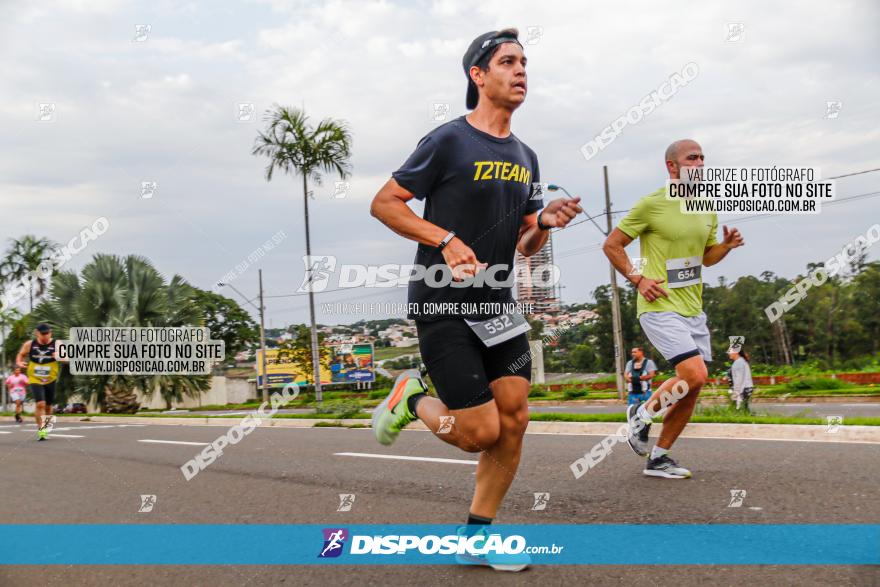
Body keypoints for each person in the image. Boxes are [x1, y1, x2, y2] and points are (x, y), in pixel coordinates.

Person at [369, 28, 581, 571]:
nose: (520, 71)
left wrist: (548, 224)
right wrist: (443, 238)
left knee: (514, 421)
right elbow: (385, 203)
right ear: (478, 75)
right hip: (443, 301)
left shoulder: (527, 156)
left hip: (500, 305)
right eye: (508, 61)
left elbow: (527, 240)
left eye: (525, 62)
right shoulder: (448, 140)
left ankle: (476, 538)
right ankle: (410, 399)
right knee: (479, 432)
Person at [602, 139, 744, 479]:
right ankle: (640, 413)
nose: (699, 163)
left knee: (692, 388)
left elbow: (706, 259)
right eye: (691, 158)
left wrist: (724, 246)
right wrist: (638, 280)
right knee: (695, 375)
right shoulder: (653, 204)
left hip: (694, 309)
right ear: (672, 167)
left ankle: (660, 458)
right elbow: (612, 244)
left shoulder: (706, 207)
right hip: (658, 304)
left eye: (702, 158)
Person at [15, 323, 61, 440]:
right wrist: (19, 362)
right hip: (35, 378)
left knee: (49, 407)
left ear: (51, 333)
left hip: (51, 378)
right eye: (43, 334)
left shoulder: (57, 344)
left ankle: (47, 428)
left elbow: (68, 358)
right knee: (40, 403)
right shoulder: (30, 345)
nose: (45, 336)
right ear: (37, 333)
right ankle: (41, 431)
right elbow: (20, 355)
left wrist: (60, 357)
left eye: (48, 333)